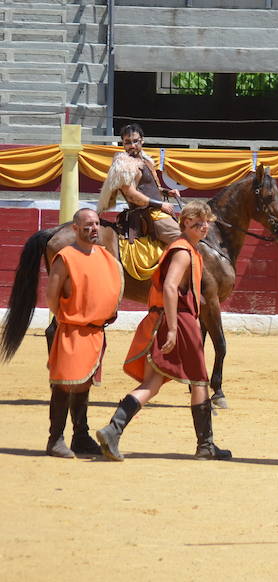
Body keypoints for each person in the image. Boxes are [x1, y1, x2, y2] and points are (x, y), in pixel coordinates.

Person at [95, 200, 231, 462]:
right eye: (197, 223)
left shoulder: (183, 248)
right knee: (200, 381)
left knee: (152, 384)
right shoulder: (183, 251)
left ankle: (113, 430)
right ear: (185, 223)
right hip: (180, 321)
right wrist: (173, 328)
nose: (203, 227)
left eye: (206, 222)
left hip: (167, 319)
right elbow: (170, 286)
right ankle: (206, 445)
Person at [43, 206, 122, 459]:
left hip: (96, 332)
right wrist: (69, 318)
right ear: (76, 228)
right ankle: (55, 439)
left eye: (96, 224)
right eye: (87, 225)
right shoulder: (65, 256)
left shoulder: (105, 255)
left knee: (83, 384)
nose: (94, 228)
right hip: (73, 330)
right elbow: (52, 298)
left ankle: (80, 436)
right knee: (64, 384)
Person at [99, 123, 182, 251]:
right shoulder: (123, 165)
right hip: (145, 215)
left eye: (135, 141)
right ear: (123, 144)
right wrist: (161, 205)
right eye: (127, 142)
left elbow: (149, 189)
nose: (132, 145)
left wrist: (167, 192)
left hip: (157, 212)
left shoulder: (146, 161)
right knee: (183, 240)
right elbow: (131, 195)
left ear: (142, 140)